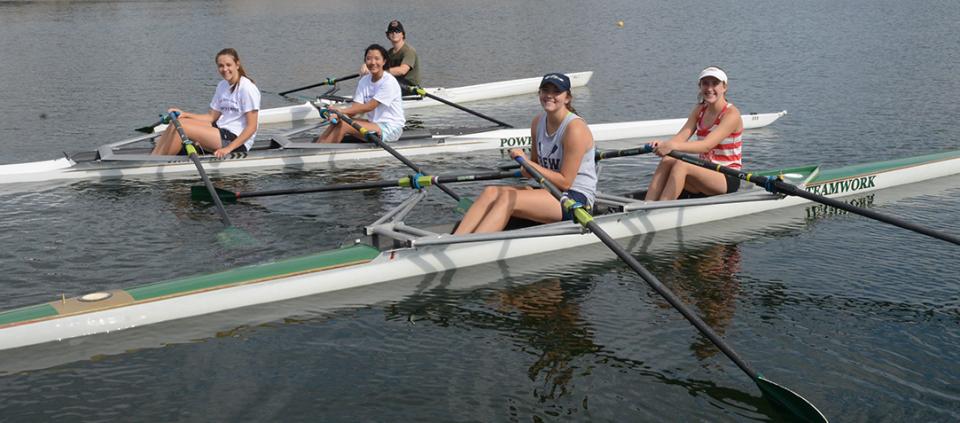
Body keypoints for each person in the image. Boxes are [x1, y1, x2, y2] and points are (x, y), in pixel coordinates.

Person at [454, 73, 596, 234]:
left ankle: (469, 248)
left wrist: (527, 162)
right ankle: (452, 241)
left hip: (575, 200)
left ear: (567, 98)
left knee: (508, 199)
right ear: (539, 94)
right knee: (490, 192)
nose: (549, 95)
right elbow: (533, 170)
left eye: (556, 92)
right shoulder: (537, 123)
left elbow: (565, 182)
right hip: (549, 191)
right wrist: (525, 166)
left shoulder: (574, 129)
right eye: (545, 90)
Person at [643, 66, 744, 201]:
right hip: (704, 170)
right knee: (668, 159)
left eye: (715, 83)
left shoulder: (732, 114)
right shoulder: (699, 110)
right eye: (705, 83)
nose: (709, 88)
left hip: (727, 176)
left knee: (682, 165)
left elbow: (706, 146)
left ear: (724, 87)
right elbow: (680, 138)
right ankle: (647, 204)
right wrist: (664, 144)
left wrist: (672, 146)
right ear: (700, 86)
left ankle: (659, 212)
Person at [151, 48, 260, 158]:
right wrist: (185, 114)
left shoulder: (247, 88)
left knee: (182, 127)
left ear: (237, 64)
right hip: (220, 130)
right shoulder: (222, 85)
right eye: (221, 66)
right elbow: (211, 117)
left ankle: (154, 163)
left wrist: (228, 149)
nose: (225, 69)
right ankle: (154, 157)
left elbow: (252, 127)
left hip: (235, 140)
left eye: (228, 65)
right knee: (177, 122)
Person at [316, 44, 405, 143]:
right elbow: (356, 108)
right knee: (339, 121)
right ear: (365, 61)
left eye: (377, 59)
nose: (372, 62)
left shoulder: (389, 82)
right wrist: (339, 115)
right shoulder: (364, 81)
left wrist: (342, 111)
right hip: (374, 123)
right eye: (369, 59)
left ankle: (320, 153)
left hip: (391, 128)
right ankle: (318, 146)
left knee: (345, 125)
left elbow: (369, 107)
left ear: (384, 61)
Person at [359, 20, 420, 87]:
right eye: (391, 31)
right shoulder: (389, 52)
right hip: (395, 82)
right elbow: (377, 62)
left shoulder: (409, 51)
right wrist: (367, 65)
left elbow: (402, 70)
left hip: (410, 86)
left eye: (397, 31)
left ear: (402, 34)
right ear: (388, 35)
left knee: (381, 83)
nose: (394, 33)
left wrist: (380, 72)